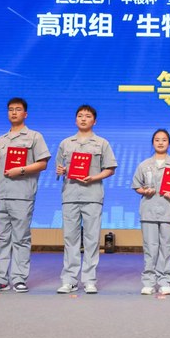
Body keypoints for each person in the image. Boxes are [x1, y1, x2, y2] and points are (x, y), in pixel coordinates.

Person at [0, 97, 50, 293]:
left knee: (21, 238)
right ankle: (0, 279)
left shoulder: (34, 137)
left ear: (25, 114)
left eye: (18, 109)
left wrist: (20, 170)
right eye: (10, 109)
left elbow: (43, 163)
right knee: (0, 238)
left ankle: (19, 278)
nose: (14, 112)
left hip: (21, 194)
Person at [55, 105, 117, 294]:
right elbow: (59, 168)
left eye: (88, 116)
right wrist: (60, 170)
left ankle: (89, 280)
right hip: (70, 195)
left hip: (92, 195)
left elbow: (110, 169)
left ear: (94, 121)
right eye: (80, 116)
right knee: (70, 239)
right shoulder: (66, 143)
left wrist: (94, 177)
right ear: (75, 120)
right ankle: (69, 280)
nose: (83, 119)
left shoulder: (102, 143)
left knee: (91, 239)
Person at [131, 129, 170, 295]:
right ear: (153, 142)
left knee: (166, 248)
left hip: (168, 210)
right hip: (148, 210)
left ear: (169, 143)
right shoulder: (144, 165)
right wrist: (144, 191)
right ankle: (148, 281)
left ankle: (165, 280)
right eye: (157, 140)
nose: (160, 143)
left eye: (164, 140)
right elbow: (136, 186)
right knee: (150, 248)